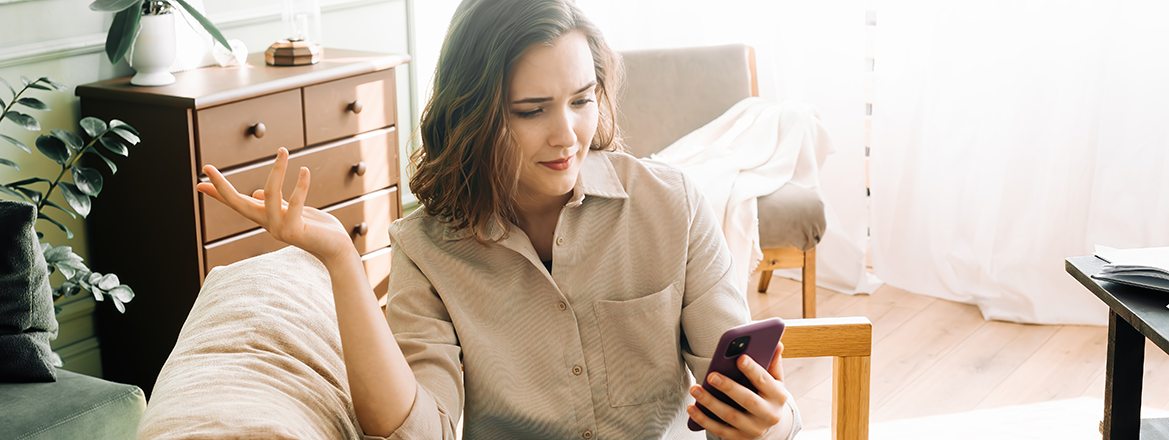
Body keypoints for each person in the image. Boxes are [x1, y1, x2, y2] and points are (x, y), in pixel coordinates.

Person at [196, 0, 801, 438]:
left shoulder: (673, 205)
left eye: (582, 100)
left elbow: (747, 397)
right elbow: (417, 431)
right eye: (532, 110)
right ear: (473, 114)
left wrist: (771, 419)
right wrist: (340, 259)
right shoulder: (426, 250)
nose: (567, 135)